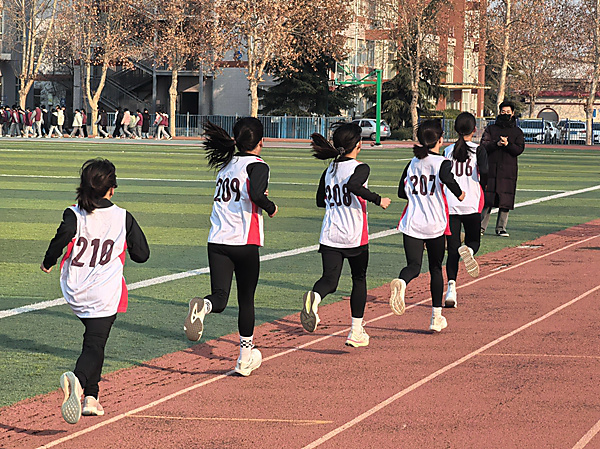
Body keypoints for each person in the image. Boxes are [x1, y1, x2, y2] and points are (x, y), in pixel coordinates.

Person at [41, 158, 149, 424]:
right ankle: (78, 381)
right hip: (104, 293)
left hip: (75, 289)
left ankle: (92, 398)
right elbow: (142, 255)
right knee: (95, 345)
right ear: (112, 188)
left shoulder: (73, 213)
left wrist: (48, 261)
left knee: (94, 340)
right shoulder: (123, 217)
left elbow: (62, 236)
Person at [184, 117, 277, 377]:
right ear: (261, 141)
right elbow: (256, 195)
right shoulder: (258, 165)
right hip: (244, 241)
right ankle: (244, 358)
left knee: (220, 298)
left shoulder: (225, 164)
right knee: (246, 300)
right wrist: (271, 207)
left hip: (217, 241)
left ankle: (204, 306)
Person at [299, 123, 391, 347]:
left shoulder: (329, 170)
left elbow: (320, 200)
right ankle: (356, 331)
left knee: (329, 281)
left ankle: (315, 297)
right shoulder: (361, 168)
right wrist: (378, 199)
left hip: (330, 234)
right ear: (358, 144)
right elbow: (353, 186)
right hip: (353, 235)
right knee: (358, 279)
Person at [389, 119, 464, 332]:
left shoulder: (412, 163)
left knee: (413, 266)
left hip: (412, 222)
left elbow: (401, 192)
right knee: (435, 269)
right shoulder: (442, 162)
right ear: (440, 139)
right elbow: (447, 178)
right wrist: (460, 193)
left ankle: (402, 282)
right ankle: (435, 317)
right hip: (434, 225)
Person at [443, 112, 488, 308]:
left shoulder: (447, 150)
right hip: (471, 202)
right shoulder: (479, 150)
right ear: (474, 129)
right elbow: (485, 172)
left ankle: (451, 290)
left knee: (452, 251)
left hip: (451, 204)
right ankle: (468, 251)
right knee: (474, 241)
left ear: (455, 130)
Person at [479, 100, 525, 237]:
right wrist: (497, 144)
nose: (505, 114)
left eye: (508, 112)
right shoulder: (491, 129)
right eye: (503, 111)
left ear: (513, 113)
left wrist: (508, 144)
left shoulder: (517, 132)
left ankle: (501, 228)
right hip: (491, 169)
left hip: (508, 171)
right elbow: (484, 146)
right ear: (499, 112)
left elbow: (519, 149)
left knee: (505, 201)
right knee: (488, 200)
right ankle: (481, 227)